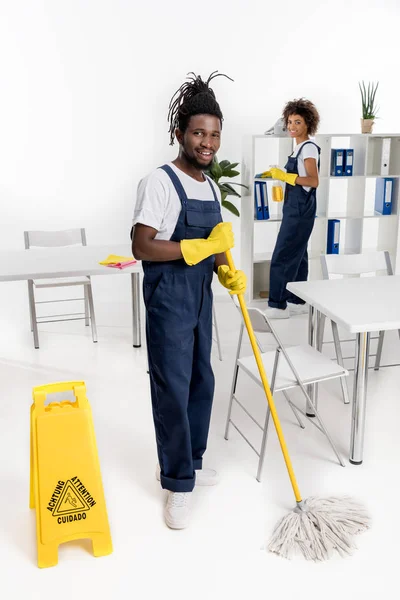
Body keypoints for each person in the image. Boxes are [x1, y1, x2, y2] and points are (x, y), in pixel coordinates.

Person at [131, 72, 246, 529]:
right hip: (168, 299)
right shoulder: (158, 182)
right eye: (199, 132)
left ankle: (192, 463)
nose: (208, 142)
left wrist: (225, 269)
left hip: (200, 296)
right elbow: (142, 245)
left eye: (214, 134)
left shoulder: (212, 186)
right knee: (172, 389)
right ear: (180, 133)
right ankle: (177, 483)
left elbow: (216, 242)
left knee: (202, 382)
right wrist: (189, 250)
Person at [258, 98, 320, 319]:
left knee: (283, 254)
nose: (292, 127)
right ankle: (297, 300)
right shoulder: (299, 148)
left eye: (298, 122)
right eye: (290, 122)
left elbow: (313, 181)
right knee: (299, 253)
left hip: (300, 209)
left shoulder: (308, 148)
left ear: (308, 124)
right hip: (296, 208)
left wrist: (284, 176)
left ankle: (278, 305)